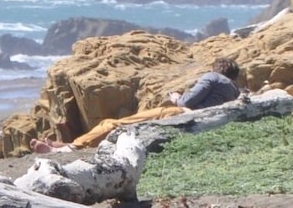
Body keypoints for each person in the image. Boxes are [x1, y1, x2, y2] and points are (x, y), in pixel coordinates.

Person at [31, 56, 244, 153]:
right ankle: (68, 145)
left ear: (218, 68)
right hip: (199, 123)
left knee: (112, 124)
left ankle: (67, 149)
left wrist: (175, 97)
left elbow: (188, 101)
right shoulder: (234, 92)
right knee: (114, 126)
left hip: (180, 114)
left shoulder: (213, 77)